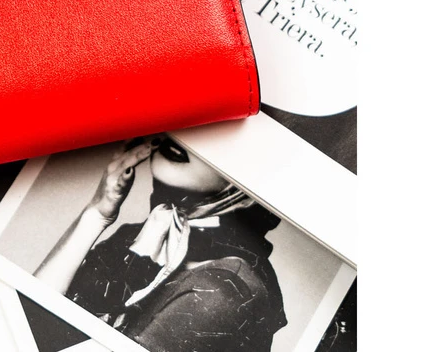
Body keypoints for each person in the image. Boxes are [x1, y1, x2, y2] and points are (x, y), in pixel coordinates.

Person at [35, 136, 287, 352]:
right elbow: (25, 321)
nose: (188, 134)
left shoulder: (223, 287)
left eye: (220, 137)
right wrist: (96, 214)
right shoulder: (137, 239)